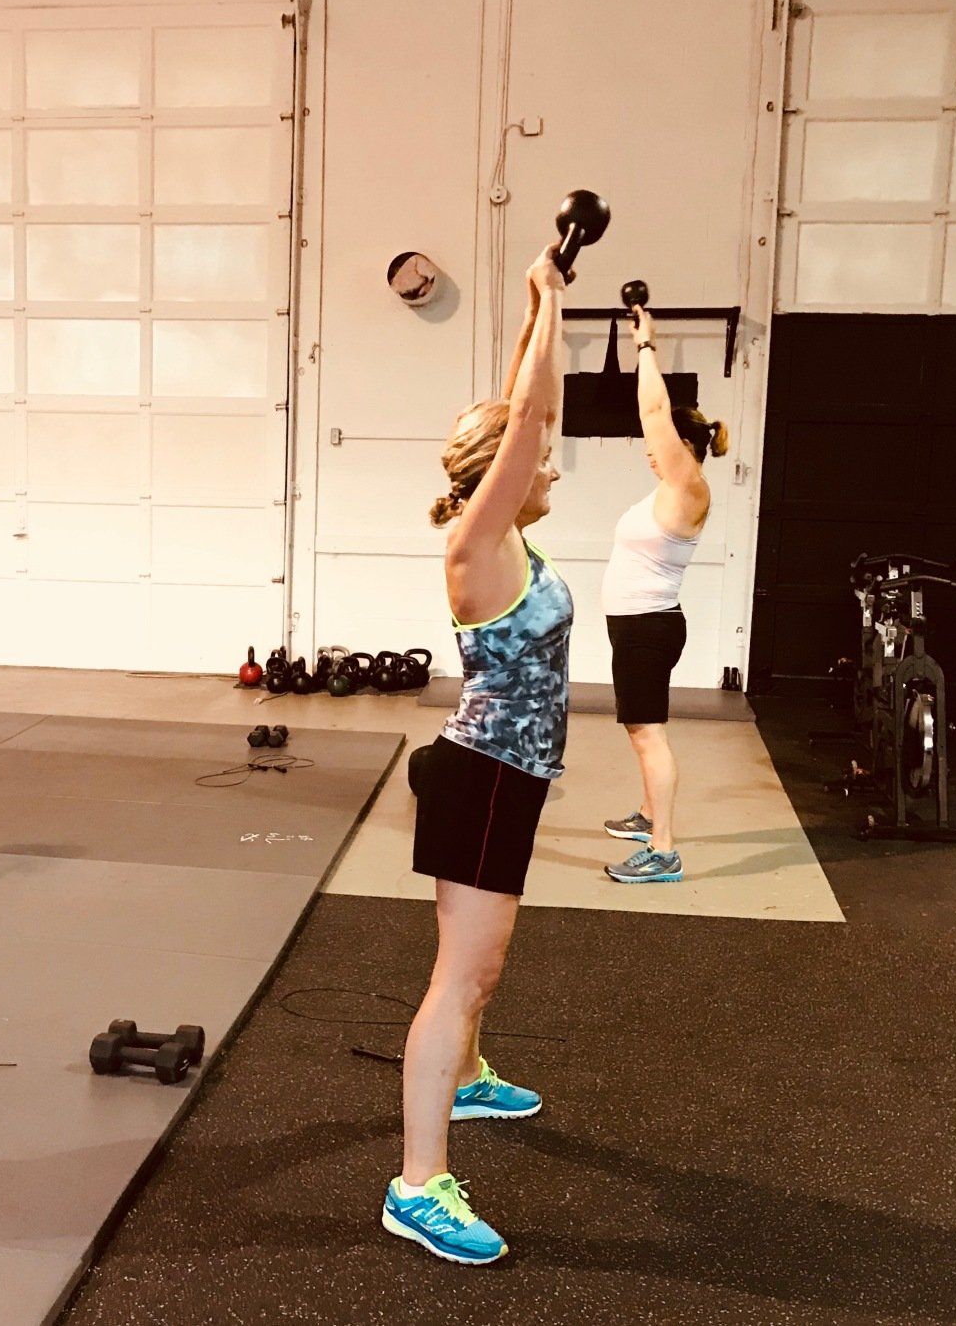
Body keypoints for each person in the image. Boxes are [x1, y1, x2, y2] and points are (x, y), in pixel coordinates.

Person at [382, 248, 571, 1266]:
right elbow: (527, 419)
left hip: (506, 777)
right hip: (485, 779)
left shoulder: (505, 532)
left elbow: (523, 406)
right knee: (465, 975)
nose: (551, 468)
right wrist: (554, 305)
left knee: (477, 971)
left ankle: (465, 1076)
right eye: (539, 462)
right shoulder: (477, 549)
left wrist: (543, 302)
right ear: (501, 475)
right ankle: (418, 1185)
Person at [599, 305, 730, 884]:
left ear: (682, 444)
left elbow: (653, 410)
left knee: (648, 733)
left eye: (659, 442)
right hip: (639, 625)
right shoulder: (668, 489)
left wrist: (646, 346)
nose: (649, 447)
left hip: (648, 627)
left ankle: (663, 850)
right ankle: (648, 815)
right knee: (639, 731)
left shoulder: (689, 485)